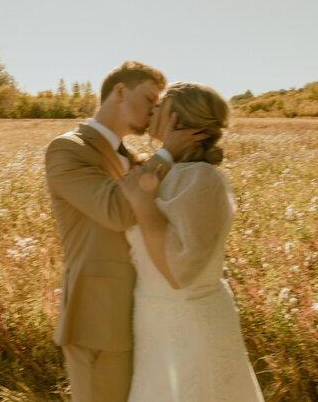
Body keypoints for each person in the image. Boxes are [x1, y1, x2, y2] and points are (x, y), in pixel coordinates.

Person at [45, 62, 205, 402]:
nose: (154, 110)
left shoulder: (132, 159)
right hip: (98, 320)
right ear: (120, 92)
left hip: (145, 313)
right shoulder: (67, 149)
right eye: (150, 98)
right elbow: (117, 212)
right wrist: (167, 153)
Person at [120, 82, 265, 402]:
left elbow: (180, 273)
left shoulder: (201, 179)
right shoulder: (170, 171)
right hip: (157, 320)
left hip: (188, 323)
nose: (152, 110)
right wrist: (166, 153)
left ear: (179, 119)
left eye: (160, 106)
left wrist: (143, 206)